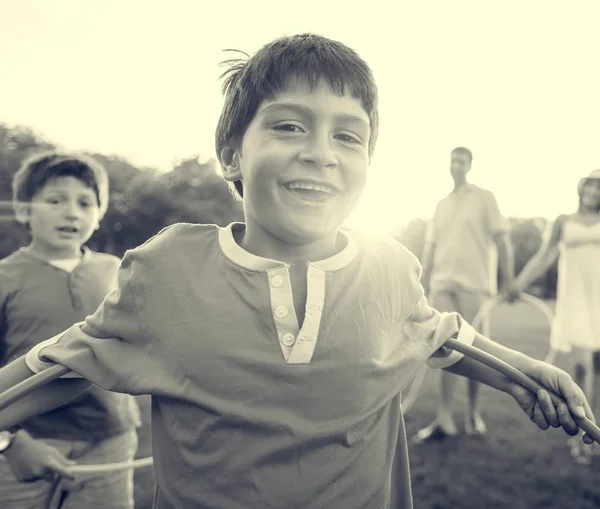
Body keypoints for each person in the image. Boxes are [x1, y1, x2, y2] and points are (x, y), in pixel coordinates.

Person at [0, 34, 594, 509]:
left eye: (348, 135)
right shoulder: (167, 270)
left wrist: (524, 371)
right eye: (289, 125)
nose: (321, 151)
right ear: (232, 153)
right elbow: (60, 364)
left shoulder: (388, 267)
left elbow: (440, 332)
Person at [0, 152, 140, 509]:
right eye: (55, 200)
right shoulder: (4, 278)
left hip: (109, 439)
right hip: (24, 443)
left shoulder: (121, 272)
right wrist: (9, 441)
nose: (72, 212)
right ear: (23, 210)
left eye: (85, 202)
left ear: (99, 213)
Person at [414, 147, 515, 442]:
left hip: (475, 286)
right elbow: (430, 247)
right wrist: (421, 281)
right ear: (449, 165)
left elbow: (503, 240)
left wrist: (508, 280)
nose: (456, 164)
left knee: (476, 351)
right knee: (445, 348)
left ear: (470, 165)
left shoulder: (484, 198)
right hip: (443, 284)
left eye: (462, 160)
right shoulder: (441, 204)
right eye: (453, 160)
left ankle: (473, 414)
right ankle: (443, 419)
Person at [504, 169, 600, 464]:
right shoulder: (563, 221)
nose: (594, 193)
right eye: (590, 186)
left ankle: (592, 431)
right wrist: (518, 282)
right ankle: (581, 437)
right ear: (581, 188)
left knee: (596, 368)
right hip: (575, 300)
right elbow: (545, 256)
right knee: (581, 367)